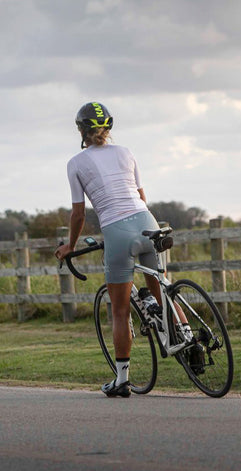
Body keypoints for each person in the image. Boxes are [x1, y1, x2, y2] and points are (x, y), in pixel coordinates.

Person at [55, 102, 164, 398]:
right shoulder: (126, 152)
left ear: (81, 131)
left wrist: (70, 246)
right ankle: (189, 338)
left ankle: (122, 380)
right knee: (160, 291)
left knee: (119, 310)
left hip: (117, 229)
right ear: (109, 127)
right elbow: (141, 196)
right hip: (147, 220)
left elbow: (79, 214)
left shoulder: (76, 163)